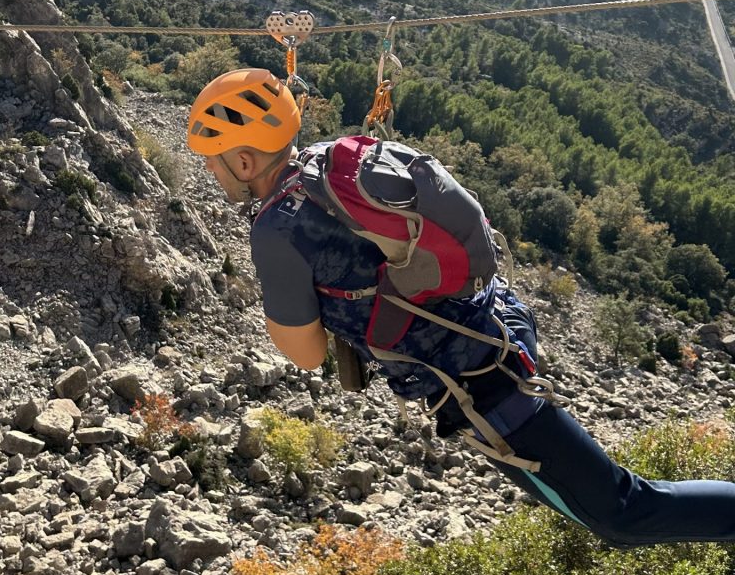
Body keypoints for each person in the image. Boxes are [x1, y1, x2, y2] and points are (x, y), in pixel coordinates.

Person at [188, 67, 735, 548]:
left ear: (244, 160)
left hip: (483, 385)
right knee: (617, 507)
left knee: (623, 514)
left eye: (214, 163)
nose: (212, 174)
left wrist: (289, 286)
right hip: (498, 318)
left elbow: (306, 354)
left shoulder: (277, 230)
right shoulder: (326, 164)